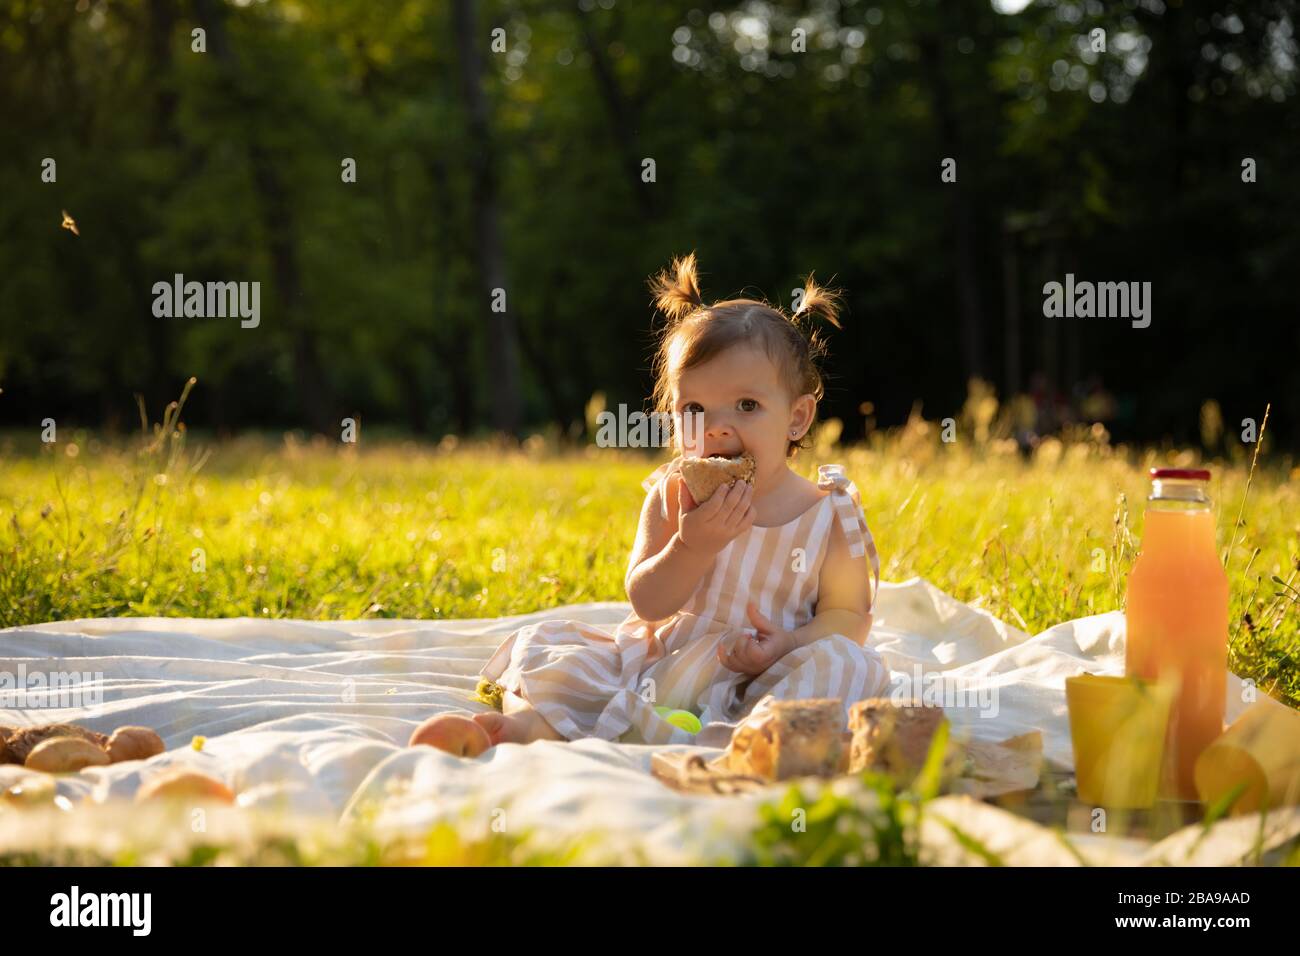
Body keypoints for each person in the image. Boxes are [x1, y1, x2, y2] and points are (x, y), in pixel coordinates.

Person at [426, 251, 891, 752]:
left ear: (797, 418)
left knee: (849, 664)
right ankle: (524, 728)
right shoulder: (674, 493)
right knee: (548, 646)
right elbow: (647, 603)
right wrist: (692, 548)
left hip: (765, 678)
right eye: (694, 408)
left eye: (748, 406)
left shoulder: (828, 513)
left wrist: (789, 645)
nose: (716, 426)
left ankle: (749, 745)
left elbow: (849, 618)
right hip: (662, 668)